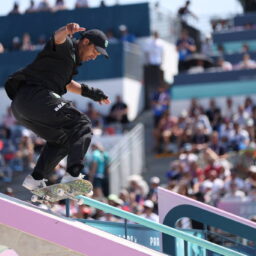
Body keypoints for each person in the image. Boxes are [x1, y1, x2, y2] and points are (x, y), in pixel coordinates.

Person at [5, 23, 111, 190]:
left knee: (62, 140)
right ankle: (73, 175)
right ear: (85, 42)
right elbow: (57, 38)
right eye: (95, 51)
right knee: (81, 124)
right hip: (35, 97)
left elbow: (67, 84)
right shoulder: (67, 46)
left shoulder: (68, 63)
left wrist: (93, 93)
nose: (94, 56)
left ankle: (36, 178)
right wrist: (66, 31)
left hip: (21, 107)